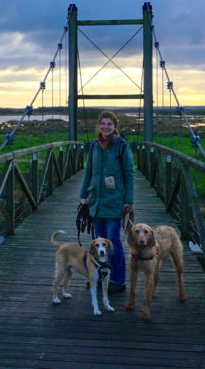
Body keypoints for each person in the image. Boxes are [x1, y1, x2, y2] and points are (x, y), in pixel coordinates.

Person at [79, 110, 135, 293]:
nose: (106, 127)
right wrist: (83, 195)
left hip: (114, 201)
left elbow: (129, 174)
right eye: (103, 123)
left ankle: (118, 281)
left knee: (113, 242)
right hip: (95, 201)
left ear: (115, 126)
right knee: (99, 243)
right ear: (98, 125)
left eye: (109, 124)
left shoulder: (122, 147)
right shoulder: (94, 146)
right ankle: (101, 277)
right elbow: (88, 171)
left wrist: (129, 200)